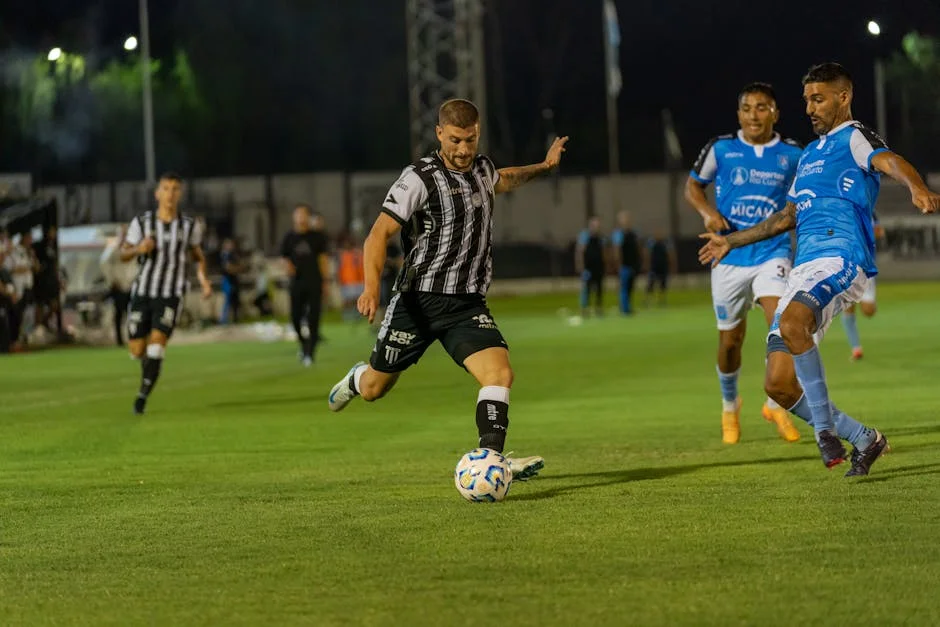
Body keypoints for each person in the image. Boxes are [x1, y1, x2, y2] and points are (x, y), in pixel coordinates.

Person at [699, 62, 940, 476]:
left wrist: (916, 185)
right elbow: (784, 218)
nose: (810, 108)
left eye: (819, 98)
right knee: (777, 383)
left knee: (792, 324)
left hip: (842, 257)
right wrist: (730, 241)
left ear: (843, 97)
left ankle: (825, 434)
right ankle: (866, 438)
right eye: (807, 100)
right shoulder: (809, 155)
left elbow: (888, 161)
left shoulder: (854, 137)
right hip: (804, 269)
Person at [326, 98, 568, 481]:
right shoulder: (418, 178)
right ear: (439, 133)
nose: (464, 149)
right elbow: (378, 234)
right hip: (417, 302)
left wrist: (545, 166)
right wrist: (371, 288)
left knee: (500, 375)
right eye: (455, 140)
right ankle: (357, 378)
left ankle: (490, 458)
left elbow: (504, 178)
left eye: (471, 139)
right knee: (375, 388)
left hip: (466, 305)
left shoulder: (482, 168)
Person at [685, 82, 804, 444]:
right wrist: (707, 213)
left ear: (775, 113)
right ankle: (729, 406)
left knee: (782, 323)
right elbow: (693, 186)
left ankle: (775, 404)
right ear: (739, 114)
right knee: (731, 341)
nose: (755, 115)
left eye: (763, 107)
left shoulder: (792, 154)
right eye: (748, 108)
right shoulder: (722, 149)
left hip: (773, 252)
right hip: (729, 257)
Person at [120, 172, 212, 415]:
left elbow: (198, 257)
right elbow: (123, 253)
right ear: (157, 193)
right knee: (137, 350)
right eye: (166, 188)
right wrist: (140, 248)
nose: (170, 193)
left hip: (171, 293)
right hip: (143, 292)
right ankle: (150, 371)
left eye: (175, 189)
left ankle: (141, 397)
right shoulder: (142, 223)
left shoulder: (190, 226)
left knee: (157, 346)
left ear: (180, 194)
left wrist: (204, 281)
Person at [281, 204, 329, 366]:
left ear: (308, 217)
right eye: (298, 214)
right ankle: (303, 343)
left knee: (313, 318)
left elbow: (323, 260)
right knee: (295, 318)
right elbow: (285, 257)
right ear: (294, 217)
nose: (301, 218)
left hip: (314, 281)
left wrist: (325, 281)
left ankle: (310, 353)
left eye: (304, 214)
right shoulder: (289, 237)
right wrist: (288, 267)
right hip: (297, 283)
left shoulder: (317, 236)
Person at [841, 213, 884, 361]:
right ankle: (856, 348)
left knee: (868, 311)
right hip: (846, 266)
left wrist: (866, 234)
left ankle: (865, 300)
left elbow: (879, 231)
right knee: (848, 307)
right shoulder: (843, 210)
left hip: (866, 268)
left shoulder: (870, 213)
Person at [99, 225, 137, 346]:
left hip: (130, 285)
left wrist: (133, 280)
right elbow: (104, 264)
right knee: (119, 314)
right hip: (118, 286)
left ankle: (133, 337)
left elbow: (136, 266)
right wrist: (112, 280)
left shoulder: (133, 249)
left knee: (132, 313)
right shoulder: (113, 250)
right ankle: (119, 340)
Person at [610, 210, 640, 315]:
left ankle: (628, 307)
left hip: (633, 264)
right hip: (624, 265)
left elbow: (637, 248)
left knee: (630, 287)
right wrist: (618, 264)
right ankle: (624, 308)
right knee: (624, 287)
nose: (626, 220)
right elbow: (616, 250)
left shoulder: (633, 233)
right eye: (624, 218)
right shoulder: (618, 234)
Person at [575, 216, 606, 317]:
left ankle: (598, 308)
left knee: (599, 289)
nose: (596, 227)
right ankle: (584, 309)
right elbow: (580, 251)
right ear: (590, 226)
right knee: (586, 289)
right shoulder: (585, 236)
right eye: (594, 225)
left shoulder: (600, 238)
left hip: (599, 267)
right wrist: (580, 265)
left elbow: (603, 252)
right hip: (588, 268)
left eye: (598, 225)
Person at [643, 230, 676, 308]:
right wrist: (646, 265)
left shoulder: (666, 243)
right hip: (653, 267)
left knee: (663, 285)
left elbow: (671, 254)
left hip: (663, 267)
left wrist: (672, 265)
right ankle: (648, 300)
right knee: (650, 284)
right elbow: (647, 254)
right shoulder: (651, 242)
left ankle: (662, 301)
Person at [337, 233, 365, 323]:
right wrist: (340, 280)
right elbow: (340, 268)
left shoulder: (357, 254)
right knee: (347, 301)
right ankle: (347, 316)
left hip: (357, 281)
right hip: (346, 281)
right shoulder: (342, 255)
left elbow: (360, 266)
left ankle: (356, 316)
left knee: (356, 300)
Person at [219, 238, 245, 325]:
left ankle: (235, 319)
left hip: (234, 280)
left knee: (235, 300)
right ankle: (223, 320)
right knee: (227, 300)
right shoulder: (225, 255)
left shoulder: (233, 255)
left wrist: (236, 268)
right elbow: (228, 268)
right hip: (227, 280)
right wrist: (235, 268)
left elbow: (241, 266)